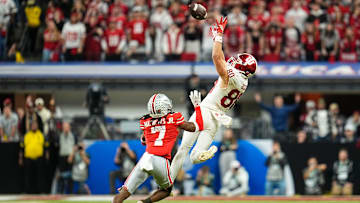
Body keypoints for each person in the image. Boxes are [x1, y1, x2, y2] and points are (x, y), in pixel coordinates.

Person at [170, 16, 257, 184]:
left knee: (183, 149)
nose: (235, 60)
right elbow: (223, 60)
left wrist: (218, 37)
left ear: (242, 67)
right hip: (216, 119)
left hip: (204, 111)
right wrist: (218, 39)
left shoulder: (234, 77)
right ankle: (199, 154)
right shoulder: (243, 81)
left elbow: (218, 60)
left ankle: (168, 185)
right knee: (194, 157)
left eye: (239, 60)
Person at [113, 92, 204, 203]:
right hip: (161, 159)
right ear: (164, 107)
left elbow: (143, 140)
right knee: (166, 190)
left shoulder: (144, 121)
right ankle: (143, 202)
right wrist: (198, 108)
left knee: (124, 192)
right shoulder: (174, 118)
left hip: (146, 158)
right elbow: (197, 127)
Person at [19, 122, 49, 194]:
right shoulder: (26, 135)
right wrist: (20, 158)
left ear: (37, 126)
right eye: (32, 125)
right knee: (27, 176)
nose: (34, 126)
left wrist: (47, 156)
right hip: (28, 158)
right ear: (30, 126)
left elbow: (46, 147)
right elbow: (21, 148)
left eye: (35, 125)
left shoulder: (41, 135)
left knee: (40, 175)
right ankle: (27, 191)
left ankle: (41, 190)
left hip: (39, 158)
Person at [57, 122, 76, 194]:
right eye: (64, 127)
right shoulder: (60, 136)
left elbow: (76, 146)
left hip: (70, 156)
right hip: (62, 157)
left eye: (67, 127)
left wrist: (71, 155)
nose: (66, 129)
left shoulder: (73, 136)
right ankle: (60, 193)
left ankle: (70, 192)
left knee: (70, 176)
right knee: (61, 176)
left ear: (69, 127)